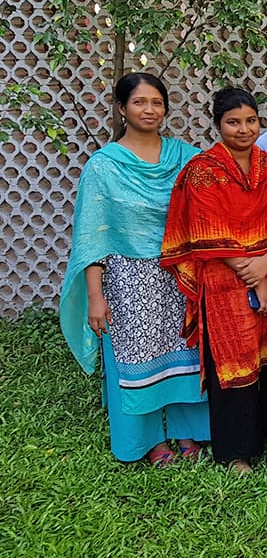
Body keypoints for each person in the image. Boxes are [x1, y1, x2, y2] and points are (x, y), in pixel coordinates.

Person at [59, 73, 209, 466]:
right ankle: (147, 441)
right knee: (135, 358)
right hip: (128, 278)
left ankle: (188, 430)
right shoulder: (104, 167)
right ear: (122, 108)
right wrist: (96, 296)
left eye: (156, 102)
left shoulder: (187, 158)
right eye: (140, 102)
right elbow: (93, 237)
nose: (149, 110)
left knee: (187, 351)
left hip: (180, 273)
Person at [162, 87, 267, 473]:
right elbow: (206, 232)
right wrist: (255, 278)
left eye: (250, 121)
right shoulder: (202, 170)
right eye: (233, 122)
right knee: (236, 361)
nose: (243, 129)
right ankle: (236, 452)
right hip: (226, 278)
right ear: (217, 125)